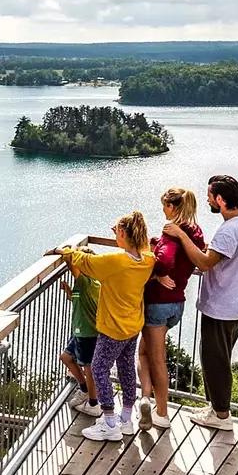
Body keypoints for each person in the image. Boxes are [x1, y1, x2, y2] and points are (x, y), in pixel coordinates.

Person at [49, 211, 154, 441]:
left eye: (116, 230)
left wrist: (63, 251)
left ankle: (109, 422)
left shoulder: (116, 262)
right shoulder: (147, 260)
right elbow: (146, 253)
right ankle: (126, 419)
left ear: (124, 233)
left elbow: (85, 261)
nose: (114, 233)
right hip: (132, 327)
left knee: (98, 369)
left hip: (113, 328)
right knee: (126, 369)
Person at [163, 175, 238, 431]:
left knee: (215, 362)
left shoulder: (229, 229)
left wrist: (181, 235)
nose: (207, 199)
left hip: (221, 306)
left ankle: (222, 415)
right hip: (236, 304)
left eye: (210, 196)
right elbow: (219, 255)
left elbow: (204, 263)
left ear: (221, 200)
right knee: (218, 359)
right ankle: (216, 407)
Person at [138, 187, 204, 430]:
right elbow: (187, 257)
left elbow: (165, 259)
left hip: (158, 302)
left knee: (157, 359)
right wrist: (155, 243)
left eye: (165, 205)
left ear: (173, 207)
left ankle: (162, 413)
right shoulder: (194, 231)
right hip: (177, 303)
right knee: (143, 353)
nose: (163, 210)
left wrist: (157, 273)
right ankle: (145, 400)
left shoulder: (171, 231)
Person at [58, 275, 103, 417]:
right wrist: (70, 293)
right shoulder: (87, 283)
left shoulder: (87, 282)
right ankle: (84, 390)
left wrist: (57, 251)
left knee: (89, 367)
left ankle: (94, 404)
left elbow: (71, 262)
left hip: (88, 332)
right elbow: (82, 300)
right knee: (66, 357)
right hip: (80, 331)